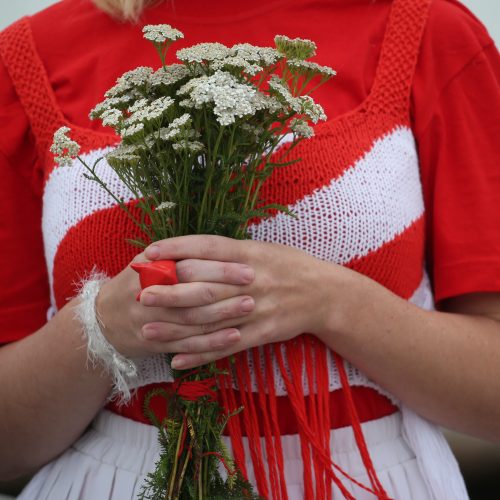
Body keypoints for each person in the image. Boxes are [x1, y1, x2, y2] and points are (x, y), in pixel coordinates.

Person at [0, 0, 499, 498]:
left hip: (360, 476)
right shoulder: (28, 55)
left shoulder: (427, 28)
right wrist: (102, 326)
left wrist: (333, 303)